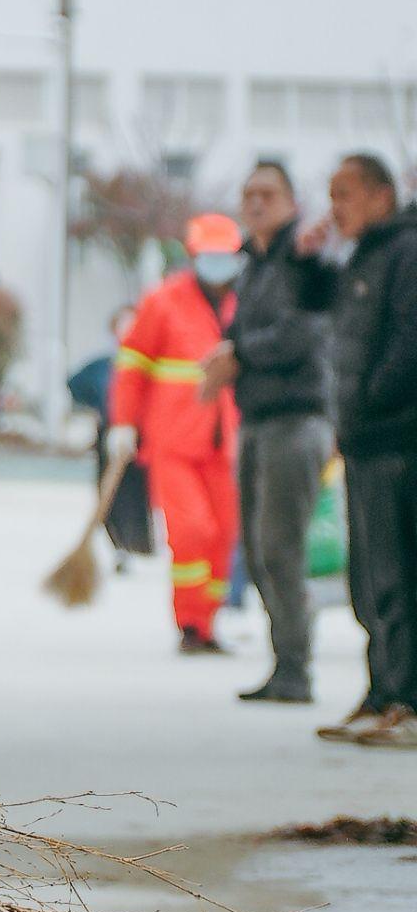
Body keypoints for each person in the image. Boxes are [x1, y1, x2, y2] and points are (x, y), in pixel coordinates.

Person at [198, 161, 337, 706]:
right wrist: (227, 355)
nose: (255, 203)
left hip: (295, 418)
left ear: (290, 201)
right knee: (258, 551)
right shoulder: (253, 262)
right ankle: (284, 663)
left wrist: (238, 354)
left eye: (268, 194)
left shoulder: (300, 256)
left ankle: (296, 668)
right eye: (249, 193)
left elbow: (300, 334)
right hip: (257, 419)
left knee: (281, 547)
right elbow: (241, 331)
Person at [108, 213, 243, 657]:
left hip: (226, 443)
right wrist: (124, 422)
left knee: (223, 532)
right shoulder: (163, 301)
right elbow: (132, 365)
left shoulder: (243, 304)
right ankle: (189, 623)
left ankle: (209, 622)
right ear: (193, 255)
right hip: (174, 441)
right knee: (191, 531)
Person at [318, 153, 417, 748]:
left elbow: (409, 341)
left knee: (398, 576)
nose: (334, 207)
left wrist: (371, 402)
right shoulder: (363, 254)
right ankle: (382, 692)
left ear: (382, 196)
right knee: (369, 579)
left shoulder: (405, 251)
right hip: (363, 439)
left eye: (345, 193)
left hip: (395, 439)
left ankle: (407, 700)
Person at [68, 306, 154, 564]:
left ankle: (138, 544)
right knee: (109, 493)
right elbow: (76, 384)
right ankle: (118, 545)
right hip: (111, 434)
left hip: (143, 437)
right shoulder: (104, 365)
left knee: (137, 495)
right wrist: (98, 408)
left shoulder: (151, 366)